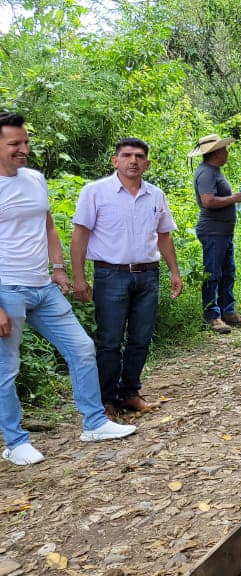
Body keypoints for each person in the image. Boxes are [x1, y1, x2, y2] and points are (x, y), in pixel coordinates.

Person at [0, 112, 137, 466]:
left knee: (82, 347)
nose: (23, 149)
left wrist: (58, 269)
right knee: (7, 368)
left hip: (42, 286)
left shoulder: (33, 178)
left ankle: (94, 423)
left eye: (25, 142)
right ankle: (15, 442)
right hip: (6, 289)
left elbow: (48, 228)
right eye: (14, 143)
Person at [72, 137, 183, 418]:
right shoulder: (95, 192)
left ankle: (130, 392)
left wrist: (174, 271)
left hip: (147, 274)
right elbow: (80, 234)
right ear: (115, 160)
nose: (133, 161)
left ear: (146, 163)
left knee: (141, 338)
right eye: (126, 155)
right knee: (109, 340)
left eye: (138, 156)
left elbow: (164, 235)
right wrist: (78, 277)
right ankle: (107, 400)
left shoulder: (155, 195)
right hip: (111, 275)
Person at [189, 134, 241, 333]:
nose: (227, 153)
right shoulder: (206, 173)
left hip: (223, 231)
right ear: (215, 153)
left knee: (228, 272)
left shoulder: (214, 171)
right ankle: (212, 315)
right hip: (213, 231)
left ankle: (227, 311)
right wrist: (235, 198)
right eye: (224, 149)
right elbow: (208, 201)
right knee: (213, 274)